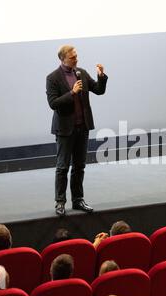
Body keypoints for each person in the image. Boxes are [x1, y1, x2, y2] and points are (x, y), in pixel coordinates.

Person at [46, 45, 108, 216]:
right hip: (65, 129)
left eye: (76, 56)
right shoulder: (53, 78)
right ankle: (60, 202)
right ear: (63, 59)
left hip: (83, 127)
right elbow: (53, 103)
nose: (76, 59)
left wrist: (101, 76)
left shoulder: (81, 72)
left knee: (80, 166)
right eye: (72, 57)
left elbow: (99, 90)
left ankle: (78, 199)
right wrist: (72, 93)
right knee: (62, 167)